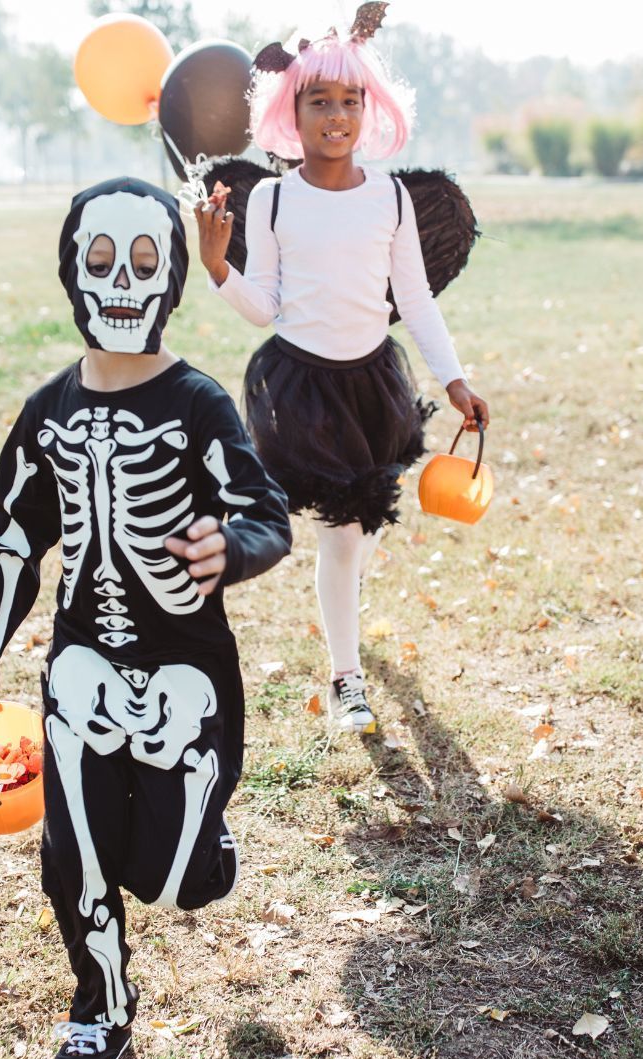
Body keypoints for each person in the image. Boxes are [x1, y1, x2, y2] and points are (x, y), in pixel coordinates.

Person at [0, 177, 291, 1059]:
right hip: (84, 661)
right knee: (77, 852)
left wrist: (234, 547)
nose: (122, 281)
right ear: (72, 273)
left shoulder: (195, 402)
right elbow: (16, 537)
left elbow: (264, 510)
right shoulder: (47, 411)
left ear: (172, 277)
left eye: (144, 262)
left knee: (173, 879)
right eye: (101, 261)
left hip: (186, 669)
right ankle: (100, 1002)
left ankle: (200, 845)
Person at [195, 9, 489, 735]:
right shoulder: (271, 199)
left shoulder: (388, 197)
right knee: (341, 537)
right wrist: (215, 264)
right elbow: (262, 306)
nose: (336, 115)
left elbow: (412, 300)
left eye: (350, 101)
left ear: (370, 108)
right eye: (319, 101)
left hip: (372, 385)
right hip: (300, 390)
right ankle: (346, 679)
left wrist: (452, 378)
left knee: (359, 531)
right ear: (289, 113)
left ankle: (345, 625)